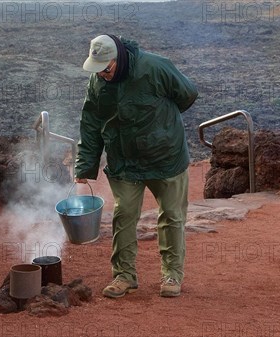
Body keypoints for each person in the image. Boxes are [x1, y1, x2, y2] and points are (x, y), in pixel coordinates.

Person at [74, 34, 198, 298]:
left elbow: (187, 94)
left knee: (172, 216)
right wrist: (85, 167)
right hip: (124, 159)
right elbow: (91, 123)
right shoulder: (98, 81)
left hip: (165, 157)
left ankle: (172, 274)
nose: (102, 75)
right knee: (124, 215)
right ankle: (124, 275)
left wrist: (162, 127)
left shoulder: (155, 67)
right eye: (98, 70)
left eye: (106, 69)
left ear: (118, 58)